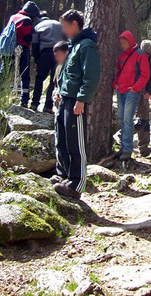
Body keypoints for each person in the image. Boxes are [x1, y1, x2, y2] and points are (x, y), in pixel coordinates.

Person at [52, 10, 100, 199]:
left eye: (65, 26)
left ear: (74, 24)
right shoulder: (74, 46)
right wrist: (59, 91)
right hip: (65, 99)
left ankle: (76, 183)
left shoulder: (87, 46)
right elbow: (68, 73)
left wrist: (81, 99)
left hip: (76, 102)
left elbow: (91, 76)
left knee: (75, 142)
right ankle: (63, 175)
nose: (63, 30)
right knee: (62, 139)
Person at [0, 1, 40, 107]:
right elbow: (27, 37)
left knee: (3, 73)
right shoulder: (26, 20)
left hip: (7, 50)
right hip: (21, 50)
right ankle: (24, 100)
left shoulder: (14, 17)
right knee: (25, 75)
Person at [112, 31, 150, 161]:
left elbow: (145, 74)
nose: (122, 44)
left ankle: (127, 150)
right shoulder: (121, 55)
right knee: (122, 119)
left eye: (125, 42)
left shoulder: (140, 55)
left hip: (131, 92)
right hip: (121, 90)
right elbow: (117, 71)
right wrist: (115, 84)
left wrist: (135, 88)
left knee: (127, 119)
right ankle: (123, 147)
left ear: (130, 41)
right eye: (121, 42)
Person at [31, 11, 63, 113]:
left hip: (46, 52)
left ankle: (35, 104)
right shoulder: (59, 24)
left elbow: (35, 44)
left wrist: (37, 59)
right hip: (59, 53)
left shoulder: (38, 26)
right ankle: (48, 106)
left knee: (39, 78)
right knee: (53, 81)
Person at [135, 40, 151, 157]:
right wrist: (144, 92)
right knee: (143, 119)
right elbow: (141, 77)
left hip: (144, 93)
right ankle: (141, 146)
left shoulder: (148, 60)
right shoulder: (142, 60)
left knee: (145, 119)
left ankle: (144, 146)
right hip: (141, 94)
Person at [51, 40, 69, 109]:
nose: (56, 58)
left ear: (67, 53)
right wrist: (55, 94)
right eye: (55, 56)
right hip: (59, 105)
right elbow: (55, 85)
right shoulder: (59, 67)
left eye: (58, 55)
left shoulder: (73, 68)